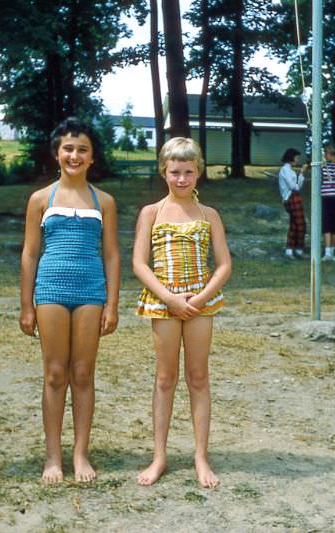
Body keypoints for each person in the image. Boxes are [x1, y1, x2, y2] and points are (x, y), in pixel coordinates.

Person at [19, 117, 120, 484]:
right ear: (57, 154)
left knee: (82, 373)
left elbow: (111, 254)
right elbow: (30, 253)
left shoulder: (104, 201)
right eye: (68, 149)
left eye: (82, 150)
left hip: (91, 291)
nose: (74, 155)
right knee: (55, 373)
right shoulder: (40, 199)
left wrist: (112, 302)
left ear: (92, 157)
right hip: (50, 293)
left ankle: (80, 453)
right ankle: (52, 457)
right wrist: (26, 304)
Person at [133, 137, 232, 489]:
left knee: (199, 377)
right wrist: (169, 299)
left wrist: (202, 297)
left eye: (188, 172)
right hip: (163, 303)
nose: (181, 179)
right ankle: (159, 455)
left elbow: (223, 265)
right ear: (164, 172)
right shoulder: (152, 213)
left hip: (200, 305)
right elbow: (139, 263)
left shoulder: (209, 216)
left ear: (198, 173)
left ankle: (200, 456)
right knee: (164, 378)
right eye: (175, 172)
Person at [278, 148, 308, 259]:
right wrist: (301, 173)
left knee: (294, 225)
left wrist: (300, 175)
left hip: (293, 197)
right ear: (291, 157)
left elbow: (297, 187)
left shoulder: (289, 170)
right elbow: (294, 187)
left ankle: (289, 251)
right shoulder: (286, 170)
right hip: (291, 198)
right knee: (301, 225)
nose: (297, 159)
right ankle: (299, 249)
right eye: (296, 157)